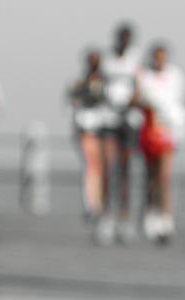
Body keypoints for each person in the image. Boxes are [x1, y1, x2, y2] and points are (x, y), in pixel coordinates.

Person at [136, 43, 185, 244]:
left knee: (165, 177)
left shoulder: (176, 76)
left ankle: (166, 216)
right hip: (149, 130)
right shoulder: (144, 75)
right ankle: (151, 212)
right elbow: (138, 99)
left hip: (168, 131)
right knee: (151, 176)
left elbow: (180, 101)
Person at [98, 23, 142, 245]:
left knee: (125, 170)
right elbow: (99, 83)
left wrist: (131, 103)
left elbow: (140, 86)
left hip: (129, 119)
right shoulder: (106, 58)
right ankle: (105, 216)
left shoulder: (136, 58)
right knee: (107, 168)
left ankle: (124, 216)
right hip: (108, 117)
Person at [69, 49, 107, 224]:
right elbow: (73, 100)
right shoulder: (80, 83)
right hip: (86, 131)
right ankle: (91, 204)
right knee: (91, 167)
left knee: (102, 168)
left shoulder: (106, 82)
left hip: (104, 131)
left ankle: (100, 202)